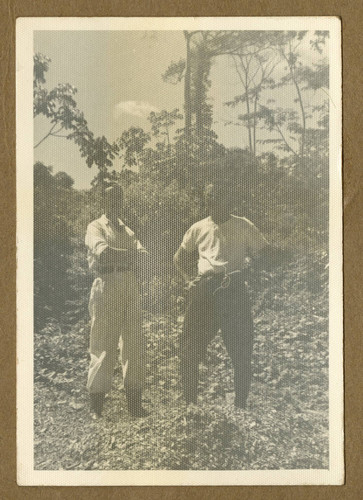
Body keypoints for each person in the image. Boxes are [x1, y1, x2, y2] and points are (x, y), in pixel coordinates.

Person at [174, 183, 270, 409]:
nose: (217, 204)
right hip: (204, 292)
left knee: (241, 350)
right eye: (212, 200)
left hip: (233, 290)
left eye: (221, 199)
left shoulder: (243, 225)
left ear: (228, 201)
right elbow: (178, 258)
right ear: (207, 203)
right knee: (190, 349)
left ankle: (240, 406)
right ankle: (190, 406)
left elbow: (265, 252)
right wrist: (189, 281)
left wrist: (251, 272)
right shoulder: (198, 228)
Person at [85, 183, 149, 418]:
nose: (115, 203)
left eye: (118, 198)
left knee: (134, 341)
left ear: (122, 202)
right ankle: (96, 408)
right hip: (107, 282)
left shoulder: (126, 229)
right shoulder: (95, 226)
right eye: (110, 198)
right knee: (103, 342)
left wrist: (132, 256)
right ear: (103, 201)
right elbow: (105, 253)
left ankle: (134, 405)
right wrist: (132, 255)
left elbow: (144, 256)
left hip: (129, 283)